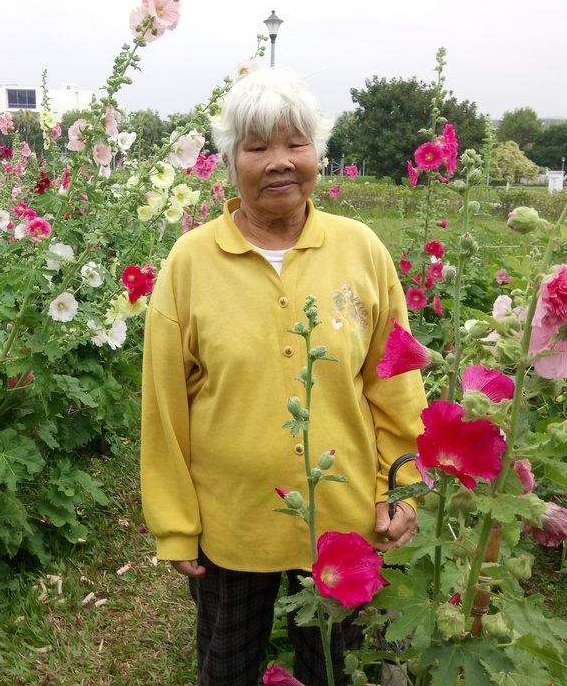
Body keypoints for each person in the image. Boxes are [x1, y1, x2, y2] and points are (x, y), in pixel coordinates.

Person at [140, 67, 426, 686]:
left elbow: (395, 381)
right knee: (228, 669)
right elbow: (164, 405)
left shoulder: (361, 250)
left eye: (295, 144)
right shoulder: (190, 263)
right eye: (258, 146)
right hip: (231, 522)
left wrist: (399, 483)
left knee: (336, 670)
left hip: (344, 518)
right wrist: (174, 523)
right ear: (229, 161)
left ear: (317, 153)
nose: (279, 162)